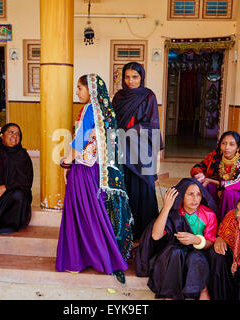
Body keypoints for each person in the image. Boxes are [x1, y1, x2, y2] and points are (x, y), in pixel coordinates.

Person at [56, 74, 133, 284]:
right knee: (92, 212)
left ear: (90, 90)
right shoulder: (105, 112)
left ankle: (78, 260)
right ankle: (101, 257)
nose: (77, 92)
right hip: (96, 168)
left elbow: (80, 140)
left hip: (84, 169)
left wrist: (65, 162)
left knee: (83, 213)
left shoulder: (90, 109)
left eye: (79, 88)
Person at [135, 178, 219, 300]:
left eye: (198, 194)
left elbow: (210, 242)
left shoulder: (209, 214)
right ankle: (171, 295)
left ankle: (203, 289)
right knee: (175, 252)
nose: (195, 199)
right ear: (181, 196)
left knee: (195, 258)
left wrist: (196, 240)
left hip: (198, 252)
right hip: (175, 253)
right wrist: (166, 207)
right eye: (190, 194)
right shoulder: (174, 213)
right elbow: (156, 235)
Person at [112, 62, 163, 240]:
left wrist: (135, 129)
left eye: (135, 77)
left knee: (145, 188)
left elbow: (153, 124)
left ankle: (146, 232)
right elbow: (113, 121)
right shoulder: (119, 97)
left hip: (141, 150)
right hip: (122, 148)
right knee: (126, 187)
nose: (131, 81)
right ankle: (126, 230)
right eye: (127, 77)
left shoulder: (148, 96)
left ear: (141, 77)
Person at [191, 131, 240, 224]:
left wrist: (210, 180)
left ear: (238, 147)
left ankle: (226, 223)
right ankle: (207, 219)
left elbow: (236, 184)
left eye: (231, 144)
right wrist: (199, 174)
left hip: (234, 195)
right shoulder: (215, 156)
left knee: (229, 193)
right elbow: (198, 167)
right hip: (218, 191)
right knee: (206, 186)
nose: (227, 147)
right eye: (224, 143)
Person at [0, 123, 33, 234]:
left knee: (20, 195)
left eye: (17, 134)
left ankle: (9, 225)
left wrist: (6, 187)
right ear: (2, 136)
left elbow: (26, 180)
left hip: (12, 197)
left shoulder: (22, 155)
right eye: (11, 132)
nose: (15, 136)